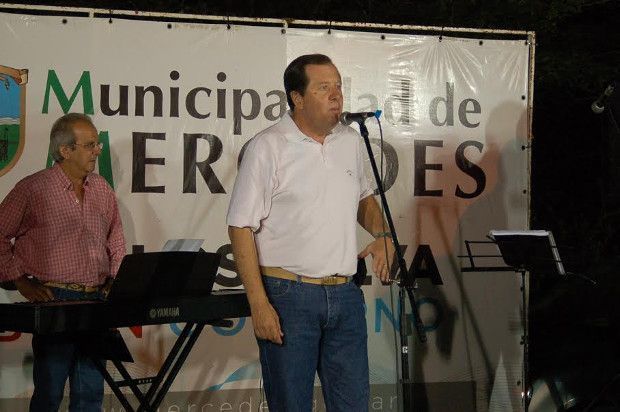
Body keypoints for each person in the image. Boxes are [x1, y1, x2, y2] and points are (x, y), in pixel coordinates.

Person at [227, 54, 395, 412]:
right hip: (289, 297)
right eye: (323, 88)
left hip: (345, 295)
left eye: (338, 87)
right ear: (297, 98)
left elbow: (364, 199)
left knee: (353, 405)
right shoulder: (268, 146)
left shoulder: (351, 141)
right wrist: (259, 304)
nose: (336, 95)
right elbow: (240, 225)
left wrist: (383, 234)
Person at [0, 113, 126, 411]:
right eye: (90, 145)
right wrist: (21, 281)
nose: (97, 151)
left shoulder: (102, 189)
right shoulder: (33, 189)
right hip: (54, 301)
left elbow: (116, 240)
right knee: (50, 392)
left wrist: (115, 282)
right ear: (65, 150)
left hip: (95, 302)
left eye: (97, 144)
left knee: (91, 395)